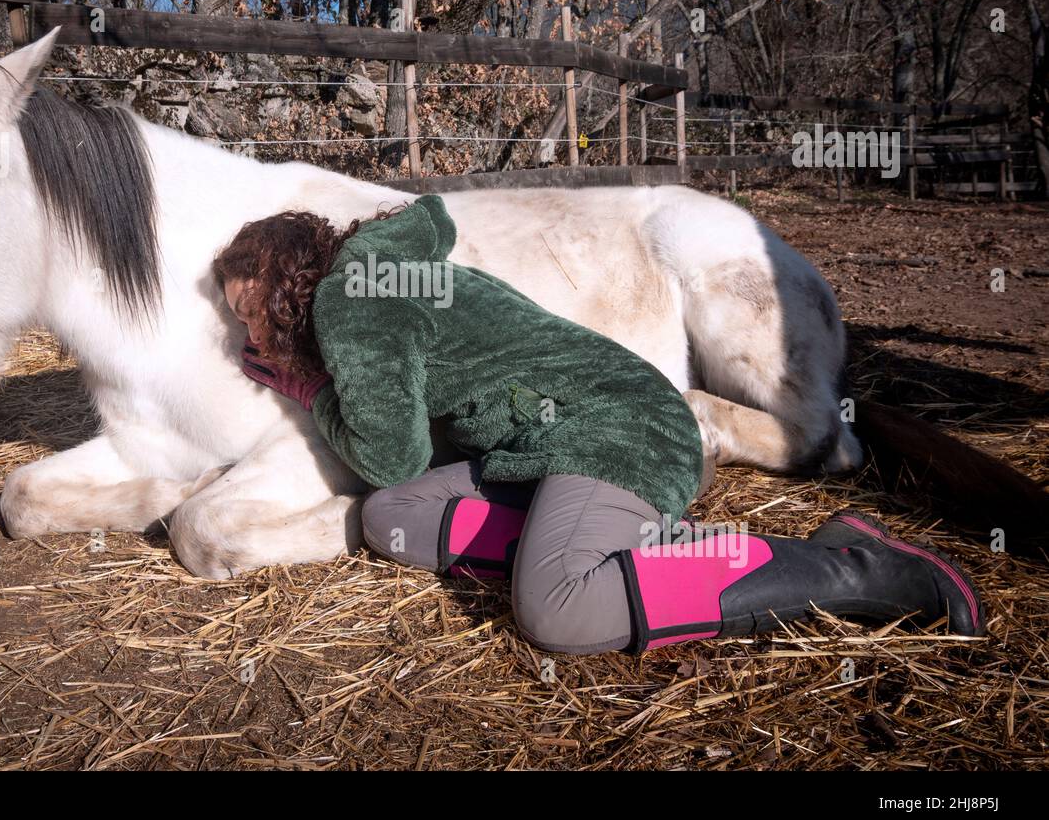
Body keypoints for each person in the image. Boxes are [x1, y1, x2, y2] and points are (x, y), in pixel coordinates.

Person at [212, 195, 985, 654]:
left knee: (558, 608)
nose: (249, 336)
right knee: (393, 515)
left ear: (288, 286)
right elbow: (396, 479)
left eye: (249, 310)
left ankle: (852, 565)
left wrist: (309, 392)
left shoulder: (351, 304)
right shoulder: (376, 278)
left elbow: (391, 450)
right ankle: (613, 548)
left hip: (618, 429)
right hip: (553, 443)